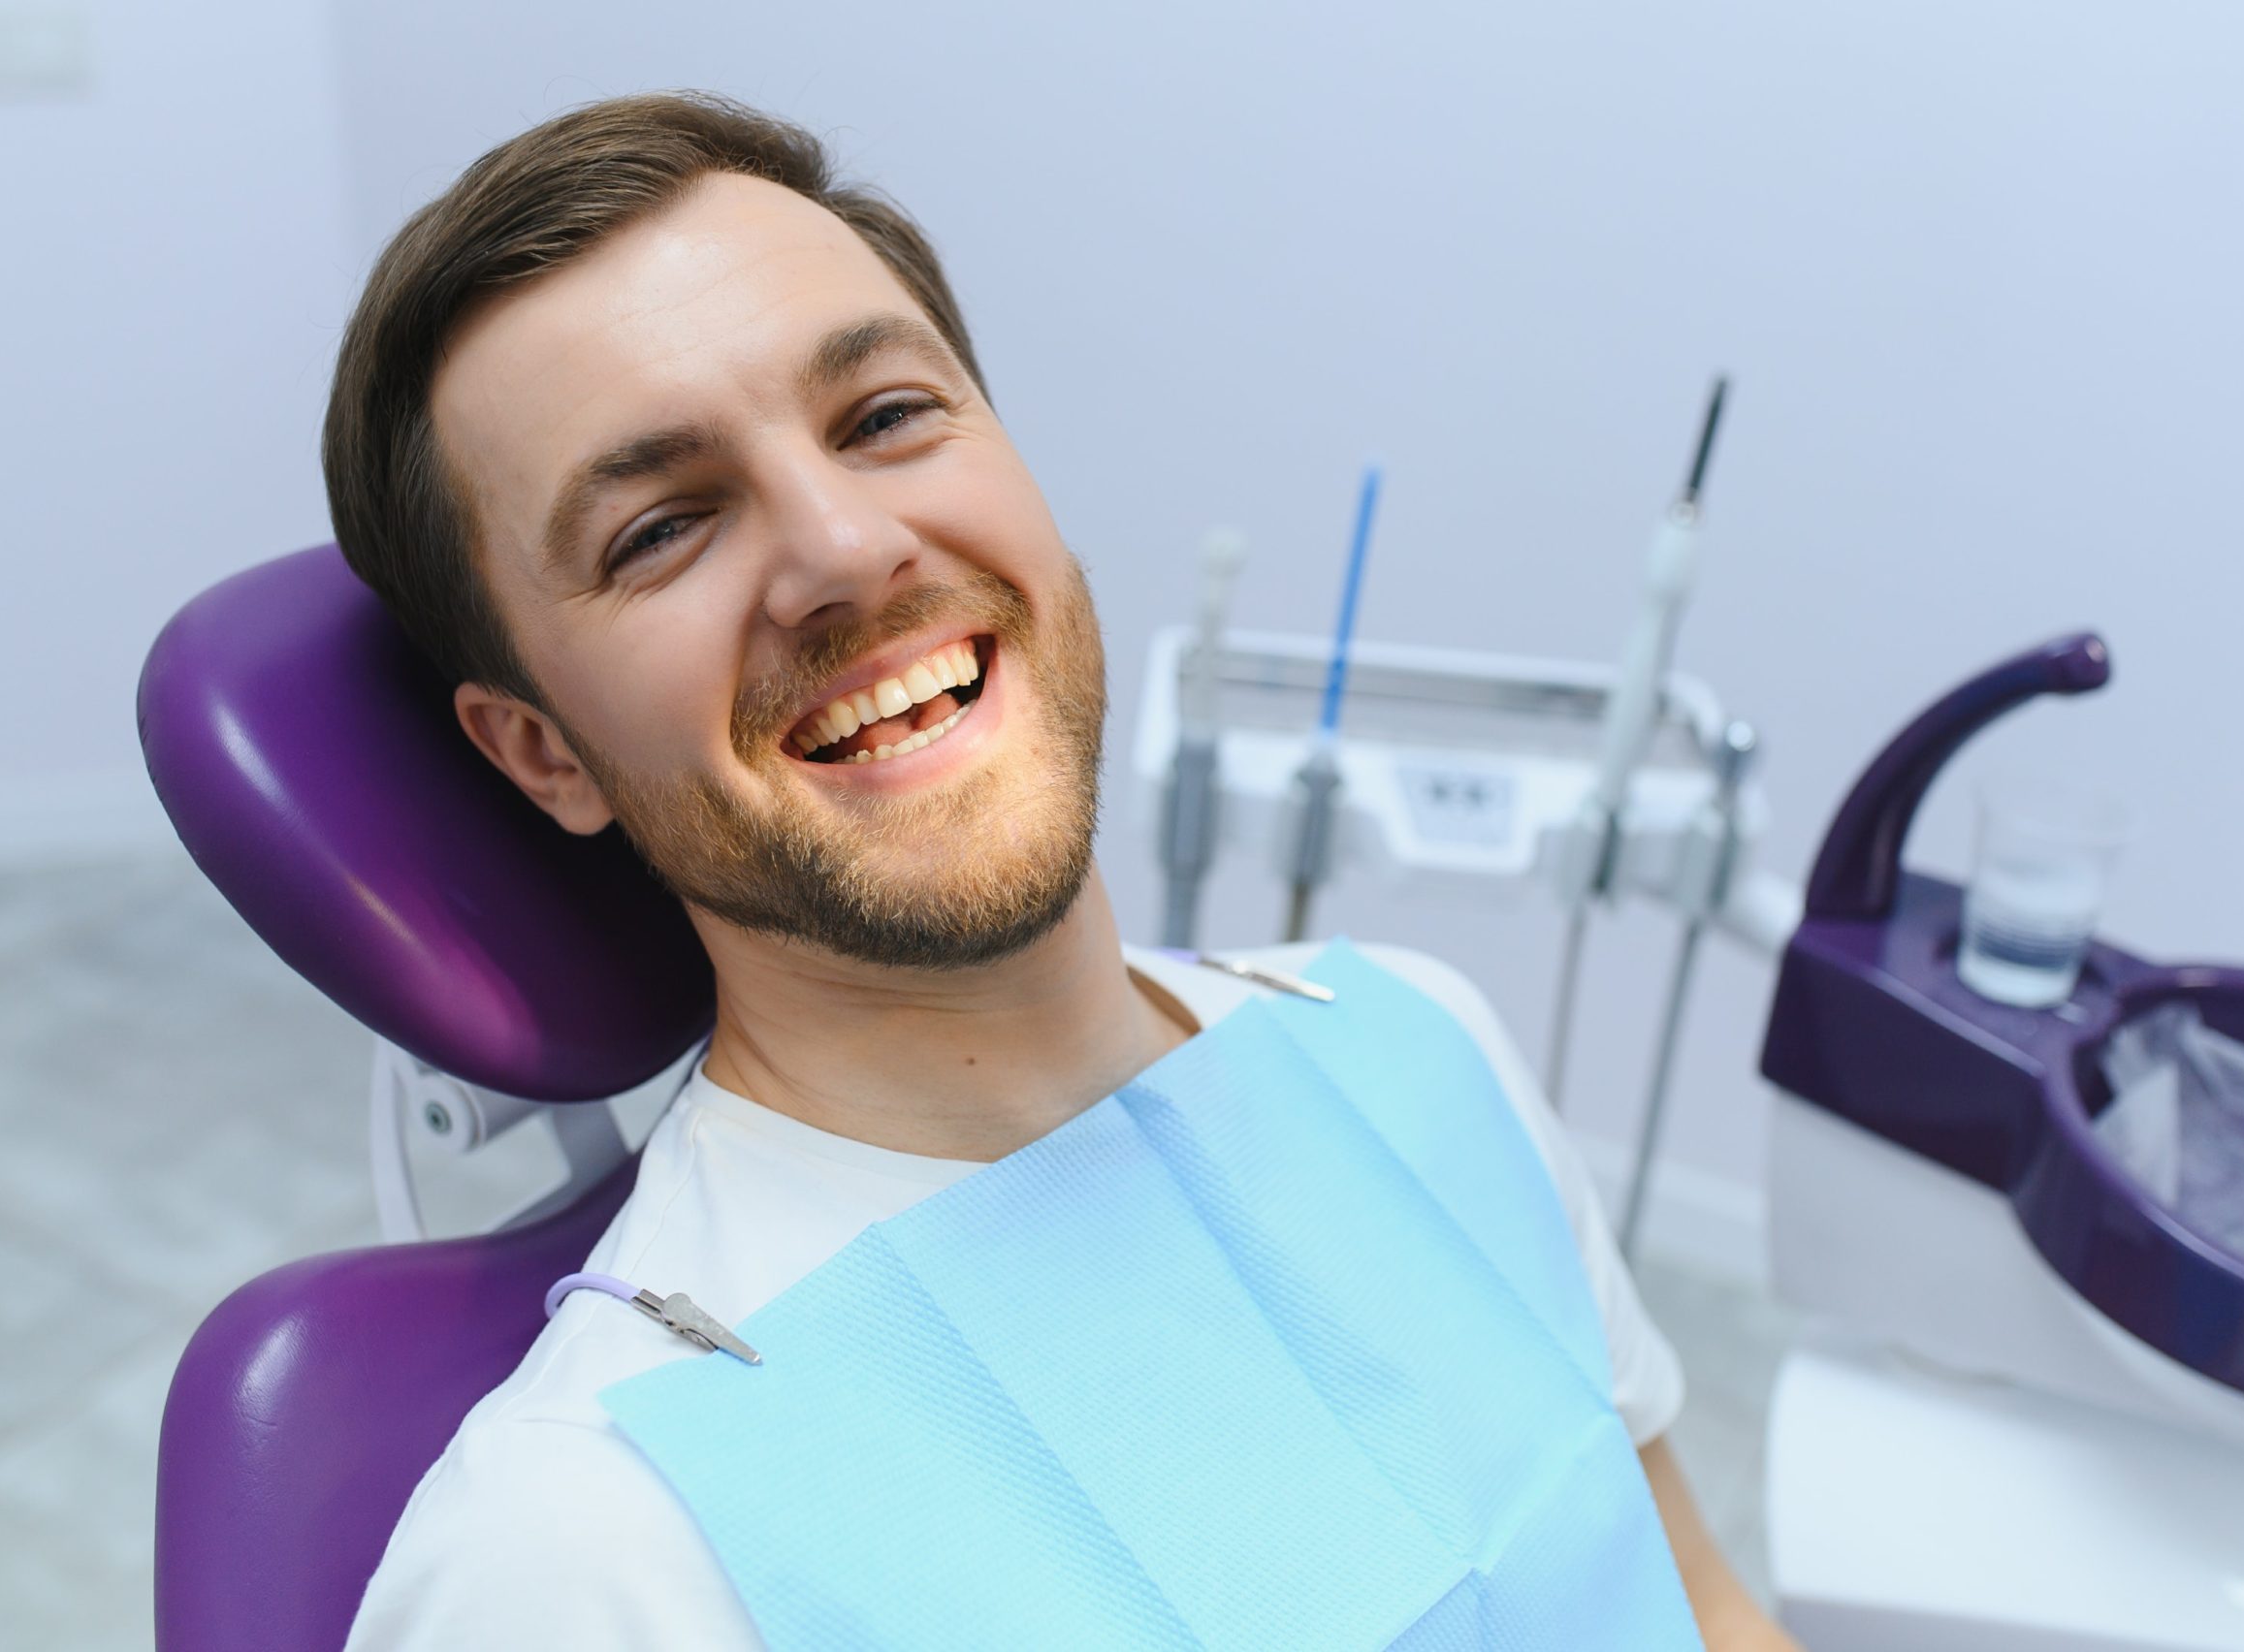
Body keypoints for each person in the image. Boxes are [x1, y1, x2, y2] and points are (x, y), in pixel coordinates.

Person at [325, 91, 1800, 1650]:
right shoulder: (586, 1548)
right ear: (544, 751)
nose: (845, 549)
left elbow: (1699, 1602)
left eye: (886, 417)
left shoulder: (1420, 1048)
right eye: (664, 528)